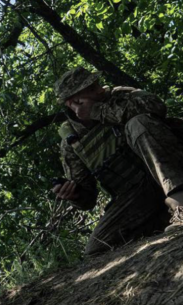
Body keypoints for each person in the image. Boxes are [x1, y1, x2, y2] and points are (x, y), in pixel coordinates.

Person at [52, 67, 183, 255]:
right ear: (73, 102)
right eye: (90, 89)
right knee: (97, 250)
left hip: (174, 168)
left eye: (95, 84)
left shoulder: (120, 95)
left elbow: (156, 106)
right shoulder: (72, 142)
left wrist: (97, 110)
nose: (99, 90)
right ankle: (162, 219)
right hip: (136, 193)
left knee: (138, 124)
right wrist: (74, 194)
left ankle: (180, 205)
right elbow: (87, 198)